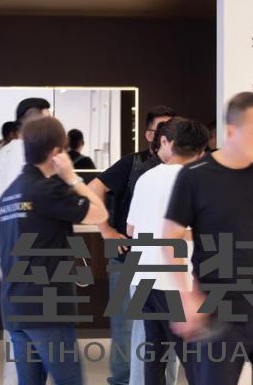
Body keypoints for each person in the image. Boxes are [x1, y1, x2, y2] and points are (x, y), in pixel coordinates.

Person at [162, 92, 253, 385]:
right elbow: (170, 237)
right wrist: (186, 297)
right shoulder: (195, 176)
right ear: (230, 132)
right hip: (217, 313)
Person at [0, 116, 108, 385]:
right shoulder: (49, 189)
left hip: (14, 306)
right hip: (48, 307)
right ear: (56, 152)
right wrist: (72, 177)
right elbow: (100, 213)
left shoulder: (9, 195)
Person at [88, 105, 175, 385]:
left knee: (161, 332)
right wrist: (106, 230)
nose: (167, 134)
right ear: (150, 134)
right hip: (128, 255)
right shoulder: (134, 163)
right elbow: (93, 189)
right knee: (127, 328)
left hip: (165, 262)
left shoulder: (181, 168)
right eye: (161, 128)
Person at [126, 117, 208, 385]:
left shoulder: (146, 177)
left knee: (154, 356)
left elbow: (130, 228)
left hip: (143, 277)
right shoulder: (196, 179)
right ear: (201, 151)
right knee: (195, 359)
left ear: (170, 143)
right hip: (176, 281)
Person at [0, 97, 50, 385]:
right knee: (33, 326)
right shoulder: (25, 153)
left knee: (17, 326)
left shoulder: (3, 153)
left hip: (7, 245)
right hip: (26, 247)